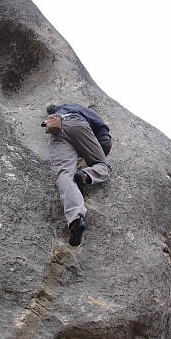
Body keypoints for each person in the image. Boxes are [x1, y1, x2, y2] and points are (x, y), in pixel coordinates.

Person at [43, 103, 112, 246]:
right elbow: (105, 141)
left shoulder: (63, 106)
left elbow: (50, 108)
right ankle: (86, 175)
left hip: (56, 126)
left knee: (64, 174)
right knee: (102, 166)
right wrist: (95, 153)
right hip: (78, 124)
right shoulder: (90, 113)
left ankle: (75, 220)